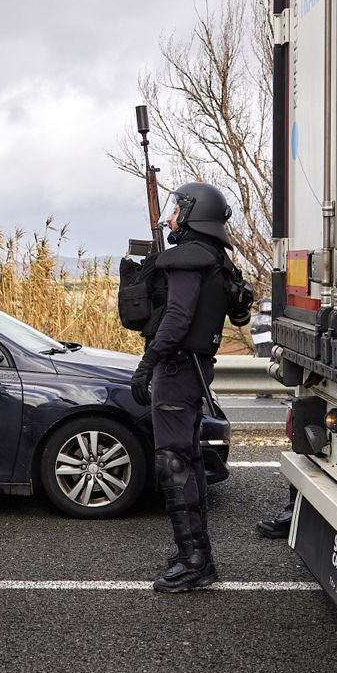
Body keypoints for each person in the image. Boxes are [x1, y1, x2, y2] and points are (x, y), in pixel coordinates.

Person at [130, 182, 253, 592]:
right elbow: (235, 314)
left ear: (193, 213)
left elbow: (178, 318)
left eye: (176, 209)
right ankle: (195, 552)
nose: (169, 217)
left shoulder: (187, 260)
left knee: (173, 461)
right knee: (190, 459)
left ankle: (195, 561)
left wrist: (147, 363)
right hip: (197, 367)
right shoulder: (217, 260)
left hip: (178, 368)